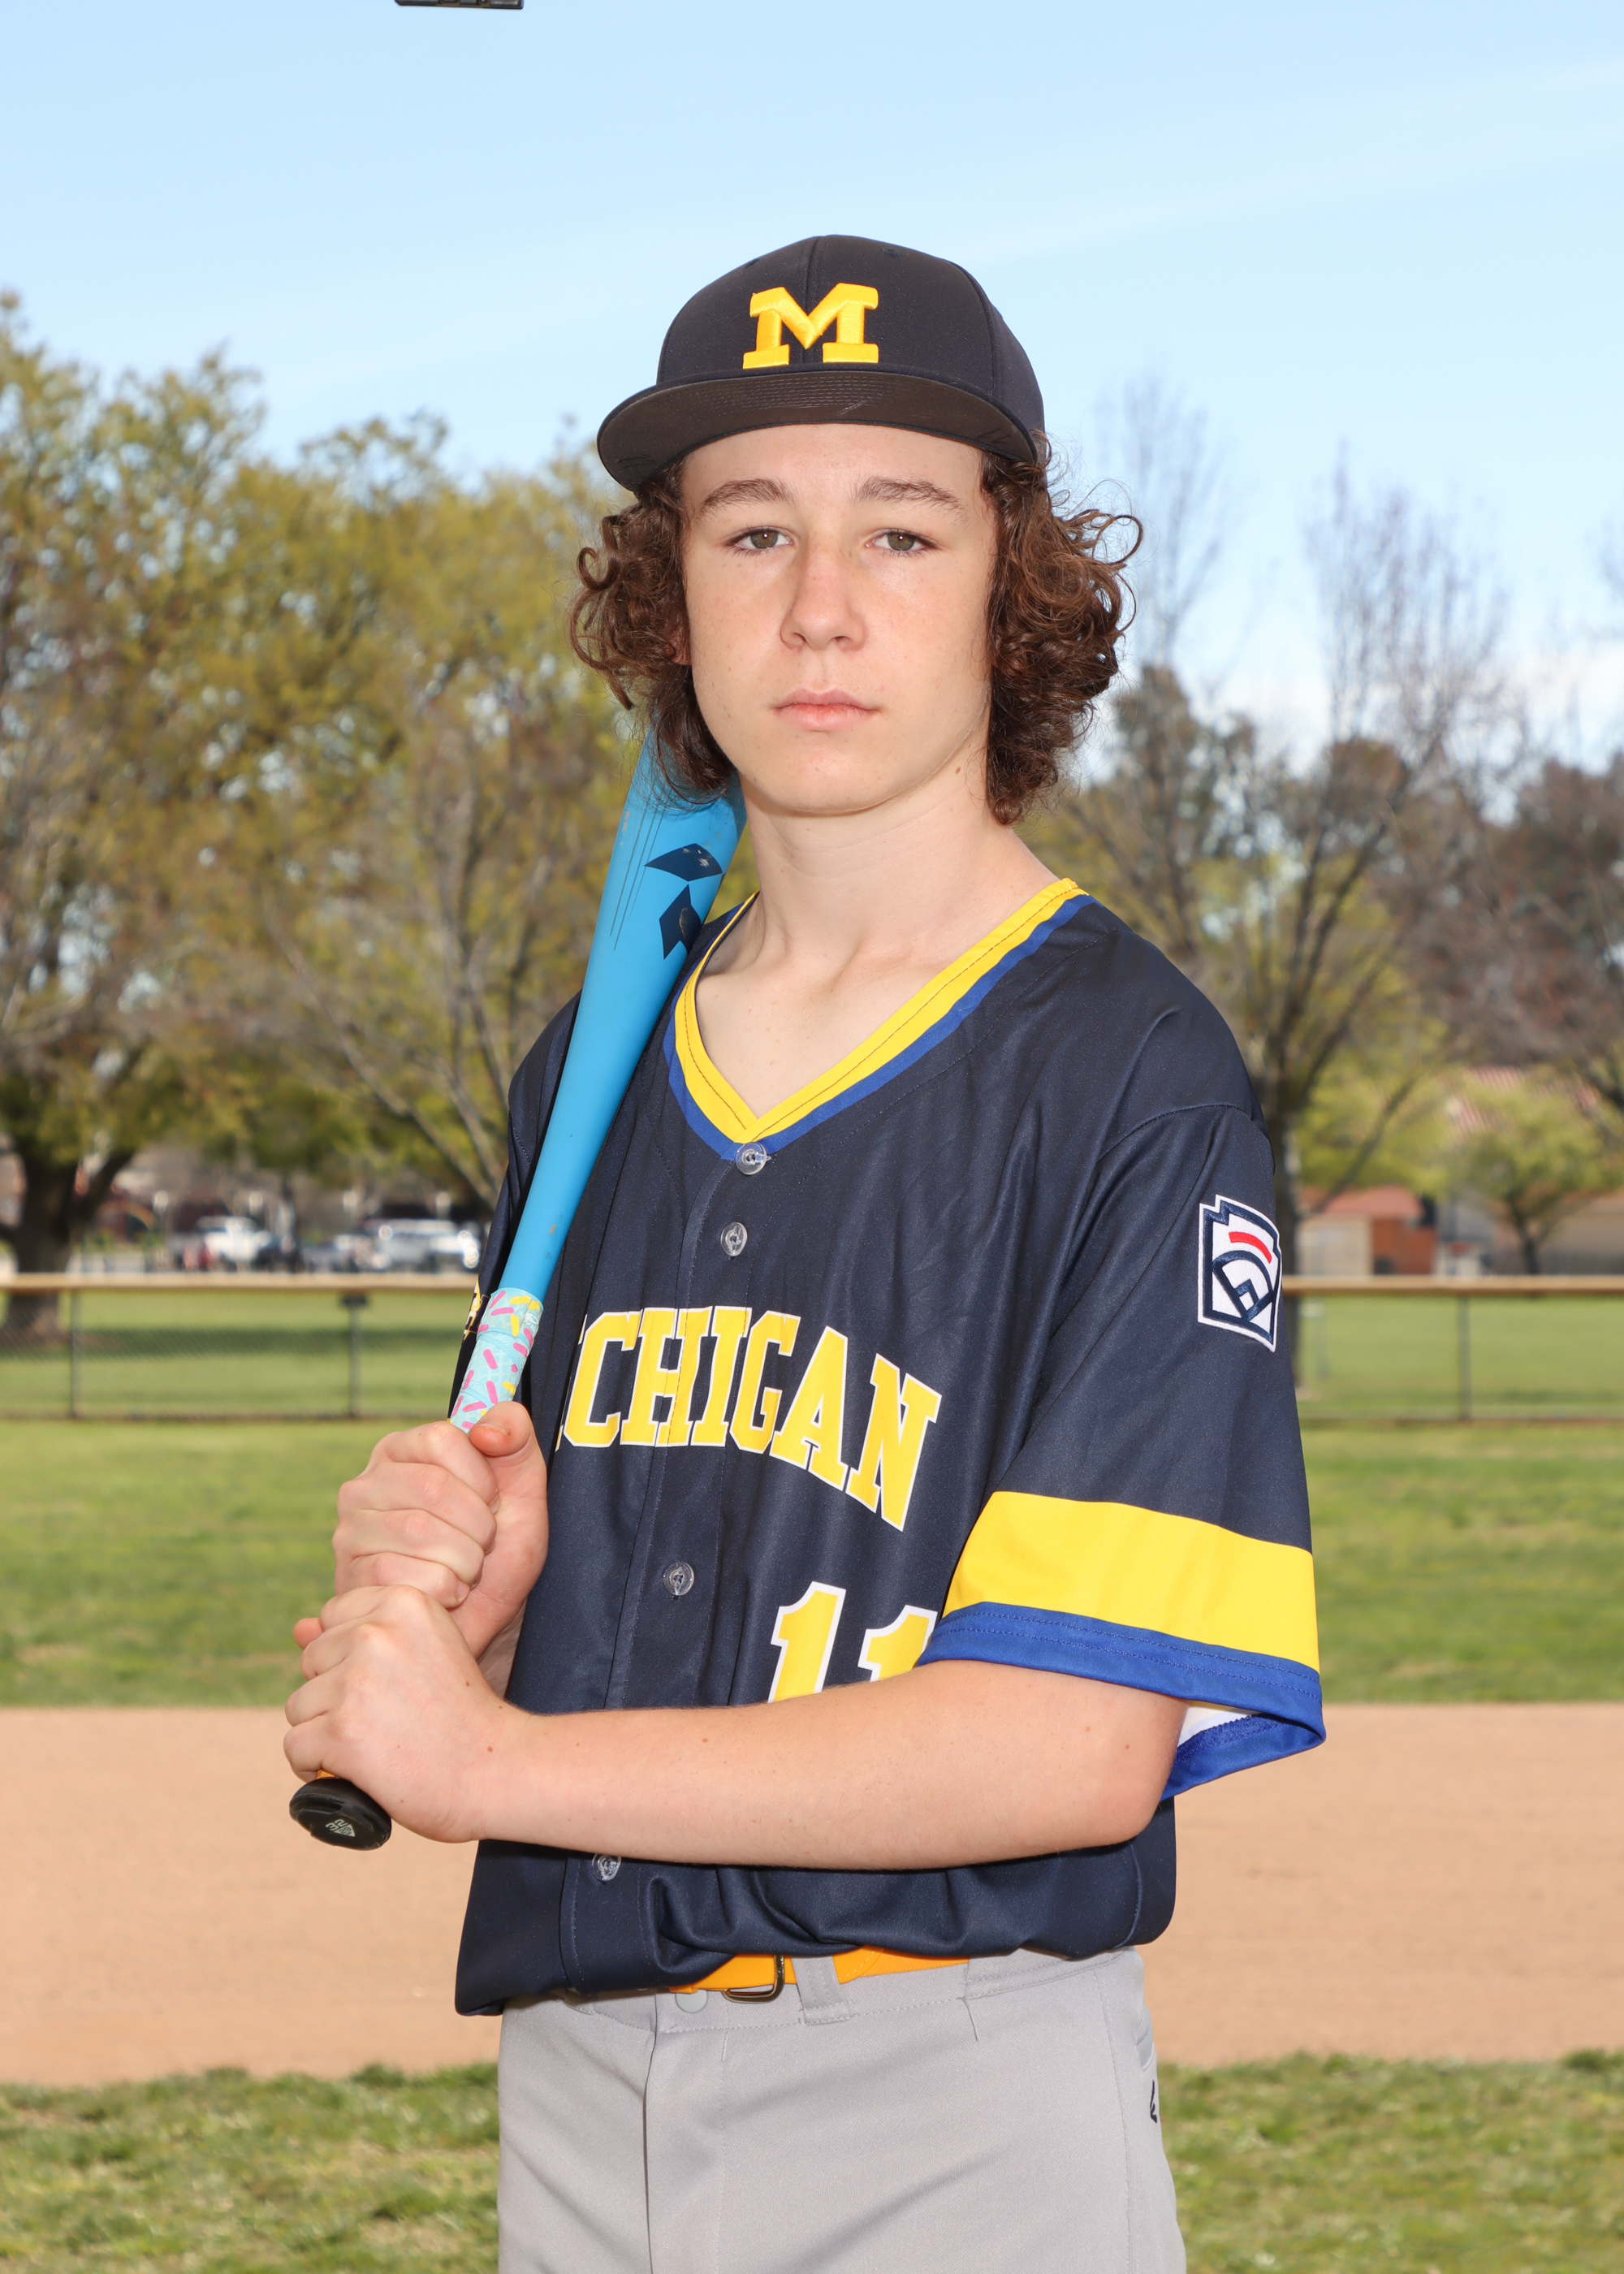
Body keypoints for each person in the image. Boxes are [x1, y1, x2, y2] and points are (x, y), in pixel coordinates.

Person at [286, 236, 1324, 2274]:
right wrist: (486, 1604)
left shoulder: (1130, 1076)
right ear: (669, 598)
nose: (820, 604)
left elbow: (1070, 1739)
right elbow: (609, 1616)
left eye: (901, 531)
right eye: (750, 529)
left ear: (1011, 591)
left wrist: (492, 1753)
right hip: (580, 2092)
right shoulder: (593, 1067)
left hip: (950, 2101)